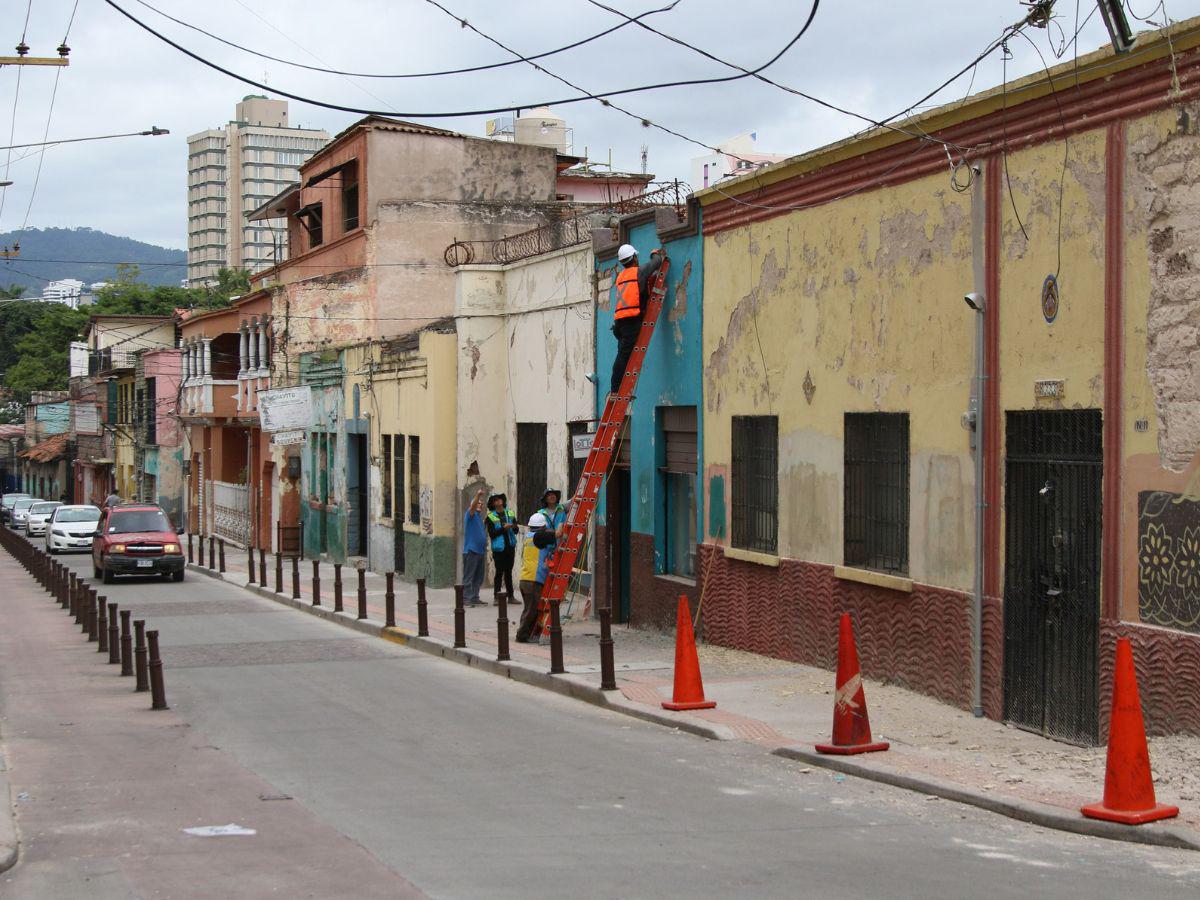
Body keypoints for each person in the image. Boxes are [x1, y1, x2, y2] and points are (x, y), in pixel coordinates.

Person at [609, 243, 664, 395]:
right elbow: (657, 262)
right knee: (623, 357)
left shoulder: (621, 276)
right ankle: (615, 391)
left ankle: (616, 389)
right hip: (630, 323)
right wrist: (654, 253)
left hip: (619, 324)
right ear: (633, 257)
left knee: (622, 356)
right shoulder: (638, 272)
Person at [515, 512, 556, 643]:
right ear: (543, 527)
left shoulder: (530, 536)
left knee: (530, 608)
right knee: (531, 610)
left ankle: (529, 633)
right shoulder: (539, 537)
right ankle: (522, 636)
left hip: (526, 579)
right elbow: (558, 534)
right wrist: (561, 525)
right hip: (533, 580)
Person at [485, 493, 518, 604]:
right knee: (499, 572)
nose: (498, 501)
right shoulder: (490, 517)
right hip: (499, 549)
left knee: (508, 572)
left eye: (500, 499)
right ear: (493, 503)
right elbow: (492, 534)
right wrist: (504, 529)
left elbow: (516, 530)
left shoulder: (510, 513)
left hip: (510, 546)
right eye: (495, 500)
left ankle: (511, 597)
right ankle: (497, 597)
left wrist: (513, 526)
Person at [461, 487, 488, 607]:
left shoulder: (479, 518)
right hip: (471, 551)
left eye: (481, 504)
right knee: (469, 576)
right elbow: (473, 506)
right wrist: (478, 495)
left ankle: (474, 597)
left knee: (478, 577)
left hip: (480, 551)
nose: (480, 505)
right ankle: (465, 598)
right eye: (478, 503)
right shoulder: (470, 514)